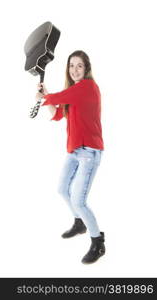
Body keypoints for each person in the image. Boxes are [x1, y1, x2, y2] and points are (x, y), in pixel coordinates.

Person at [35, 50, 105, 264]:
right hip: (74, 150)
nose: (75, 70)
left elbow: (56, 99)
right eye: (71, 66)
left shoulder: (88, 87)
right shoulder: (74, 91)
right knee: (62, 189)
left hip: (89, 151)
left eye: (79, 66)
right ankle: (79, 223)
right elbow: (57, 114)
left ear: (87, 69)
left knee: (79, 200)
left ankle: (98, 242)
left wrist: (44, 97)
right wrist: (46, 95)